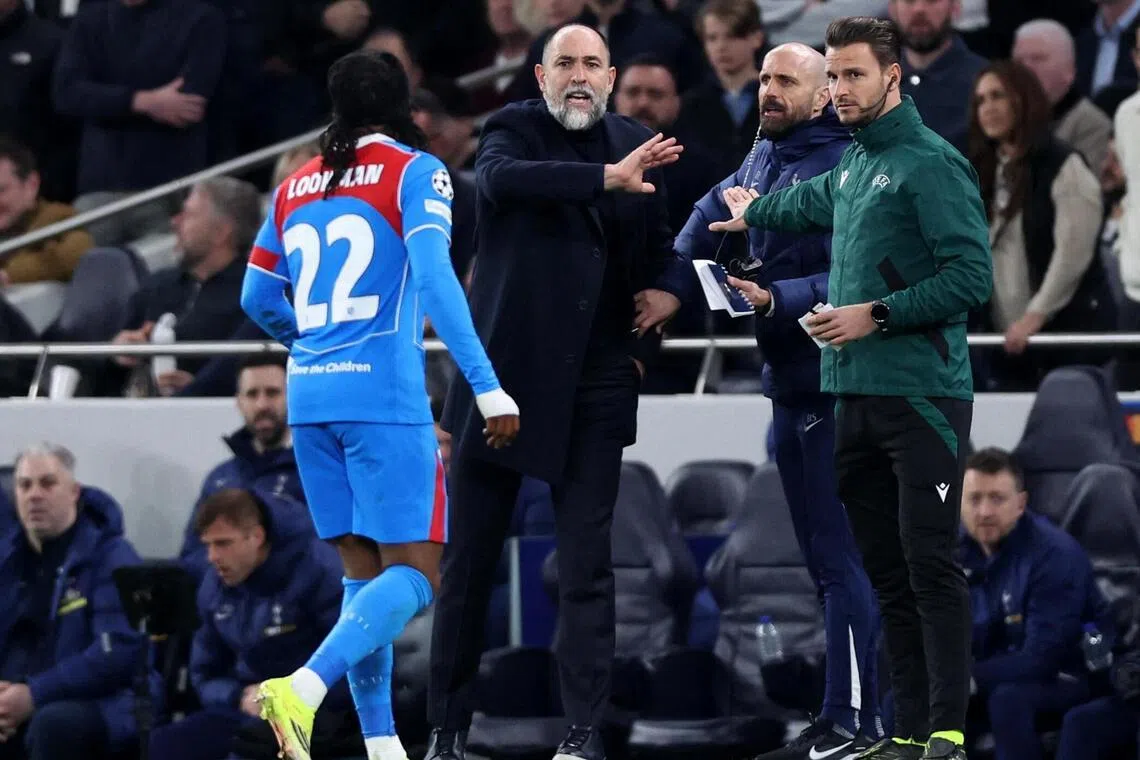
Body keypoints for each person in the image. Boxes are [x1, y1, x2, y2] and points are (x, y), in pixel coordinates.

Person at [711, 16, 993, 760]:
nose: (838, 90)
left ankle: (948, 731)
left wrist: (878, 314)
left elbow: (971, 279)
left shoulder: (931, 163)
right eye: (832, 76)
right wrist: (751, 211)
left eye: (854, 75)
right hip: (853, 397)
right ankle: (901, 730)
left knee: (929, 565)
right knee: (887, 574)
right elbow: (803, 204)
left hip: (923, 396)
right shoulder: (857, 163)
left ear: (893, 78)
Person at [238, 49, 521, 760]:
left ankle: (383, 747)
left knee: (361, 578)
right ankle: (302, 687)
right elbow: (434, 279)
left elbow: (256, 296)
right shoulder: (416, 171)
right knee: (421, 577)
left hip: (310, 394)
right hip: (381, 396)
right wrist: (486, 385)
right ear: (408, 110)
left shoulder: (296, 184)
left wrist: (309, 343)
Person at [430, 24, 689, 760]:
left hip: (598, 380)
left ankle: (583, 734)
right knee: (469, 566)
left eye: (592, 65)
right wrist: (607, 177)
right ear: (540, 74)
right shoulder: (510, 129)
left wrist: (668, 295)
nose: (579, 76)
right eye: (565, 64)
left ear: (611, 77)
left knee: (587, 569)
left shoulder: (639, 139)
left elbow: (662, 246)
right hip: (499, 383)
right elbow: (506, 183)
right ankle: (446, 732)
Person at [678, 41, 883, 760]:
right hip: (788, 384)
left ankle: (864, 723)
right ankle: (837, 717)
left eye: (785, 80)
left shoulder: (848, 166)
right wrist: (670, 278)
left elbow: (859, 278)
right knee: (822, 562)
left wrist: (775, 296)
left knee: (844, 559)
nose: (768, 89)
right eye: (764, 78)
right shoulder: (765, 153)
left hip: (839, 383)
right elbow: (705, 215)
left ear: (826, 93)